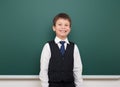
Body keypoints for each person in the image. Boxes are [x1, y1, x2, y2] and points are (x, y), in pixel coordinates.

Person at [39, 13, 83, 87]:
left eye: (66, 25)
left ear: (69, 28)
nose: (63, 27)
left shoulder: (74, 47)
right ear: (54, 28)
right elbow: (44, 70)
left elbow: (77, 69)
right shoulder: (48, 46)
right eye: (60, 24)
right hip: (53, 85)